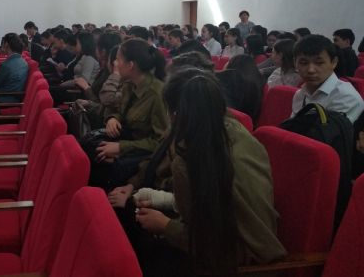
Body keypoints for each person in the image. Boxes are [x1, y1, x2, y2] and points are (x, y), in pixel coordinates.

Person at [109, 68, 286, 276]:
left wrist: (165, 226)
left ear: (175, 113)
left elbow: (210, 243)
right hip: (237, 244)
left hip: (242, 260)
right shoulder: (234, 131)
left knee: (141, 245)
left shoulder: (189, 156)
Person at [88, 38, 168, 189]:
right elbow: (122, 112)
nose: (115, 63)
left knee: (100, 162)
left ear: (131, 65)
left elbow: (161, 143)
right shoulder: (129, 85)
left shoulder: (157, 94)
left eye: (118, 59)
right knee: (89, 144)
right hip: (128, 140)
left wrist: (121, 148)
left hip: (143, 153)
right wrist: (113, 118)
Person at [292, 35, 364, 124]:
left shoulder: (346, 98)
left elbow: (328, 132)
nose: (311, 70)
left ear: (334, 62)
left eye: (319, 63)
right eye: (304, 63)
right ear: (295, 63)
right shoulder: (300, 94)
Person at [218, 55, 264, 121]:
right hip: (245, 122)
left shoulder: (226, 82)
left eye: (229, 61)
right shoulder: (256, 85)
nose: (226, 63)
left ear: (233, 65)